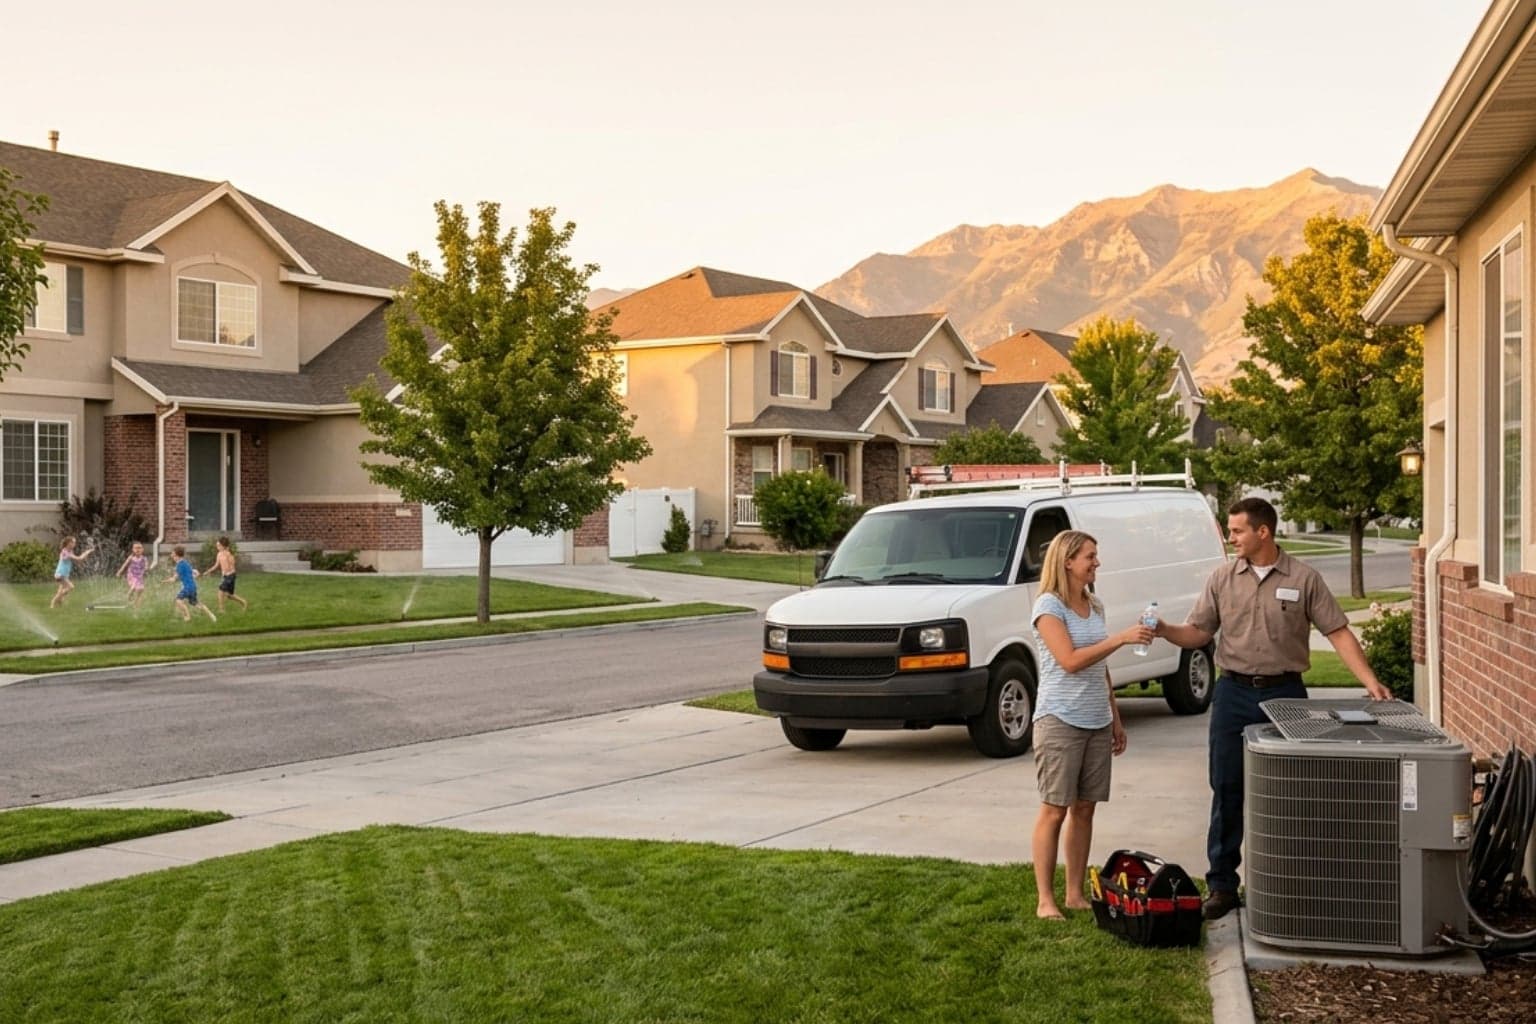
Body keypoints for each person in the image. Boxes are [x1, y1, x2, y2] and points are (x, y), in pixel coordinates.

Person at [1154, 496, 1392, 921]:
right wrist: (1164, 630)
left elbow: (1337, 632)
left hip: (1286, 696)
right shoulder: (1222, 579)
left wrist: (1369, 681)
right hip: (1232, 695)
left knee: (1289, 792)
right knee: (1226, 789)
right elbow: (1197, 633)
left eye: (1238, 530)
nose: (1231, 538)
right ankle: (1223, 885)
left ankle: (1287, 880)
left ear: (1262, 532)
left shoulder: (1304, 578)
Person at [1028, 529, 1153, 920]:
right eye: (1090, 556)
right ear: (1068, 561)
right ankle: (1045, 900)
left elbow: (1100, 669)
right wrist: (1120, 638)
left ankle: (1075, 893)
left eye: (1096, 556)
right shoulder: (1048, 607)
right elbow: (1069, 660)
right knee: (1055, 809)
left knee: (1085, 809)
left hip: (1097, 720)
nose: (1096, 562)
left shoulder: (1094, 604)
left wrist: (1115, 718)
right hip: (1059, 719)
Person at [164, 545, 216, 622]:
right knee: (195, 603)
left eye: (172, 553)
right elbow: (195, 573)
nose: (171, 554)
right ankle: (211, 615)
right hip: (193, 587)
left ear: (176, 554)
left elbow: (174, 579)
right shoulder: (186, 563)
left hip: (187, 587)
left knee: (178, 600)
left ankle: (187, 616)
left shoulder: (179, 565)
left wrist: (166, 581)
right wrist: (195, 574)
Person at [202, 537, 248, 613]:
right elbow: (216, 565)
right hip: (226, 576)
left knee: (220, 591)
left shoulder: (228, 554)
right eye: (217, 545)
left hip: (230, 576)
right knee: (230, 595)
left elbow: (232, 565)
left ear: (223, 546)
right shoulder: (219, 554)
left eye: (219, 545)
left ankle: (221, 609)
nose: (217, 546)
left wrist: (228, 569)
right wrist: (208, 571)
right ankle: (244, 602)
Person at [49, 536, 95, 608]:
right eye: (73, 542)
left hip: (64, 574)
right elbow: (79, 558)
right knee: (71, 587)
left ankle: (58, 601)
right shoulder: (65, 552)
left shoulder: (69, 551)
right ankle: (55, 600)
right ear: (69, 543)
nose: (75, 544)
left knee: (61, 590)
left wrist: (85, 555)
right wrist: (87, 552)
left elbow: (79, 560)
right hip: (60, 574)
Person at [115, 541, 149, 609]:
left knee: (140, 590)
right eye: (136, 548)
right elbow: (124, 565)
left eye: (139, 548)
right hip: (132, 576)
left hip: (139, 577)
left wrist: (146, 568)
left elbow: (146, 565)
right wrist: (119, 572)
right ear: (133, 550)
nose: (137, 549)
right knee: (134, 587)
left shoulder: (144, 558)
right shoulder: (131, 558)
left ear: (142, 549)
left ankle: (136, 607)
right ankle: (129, 597)